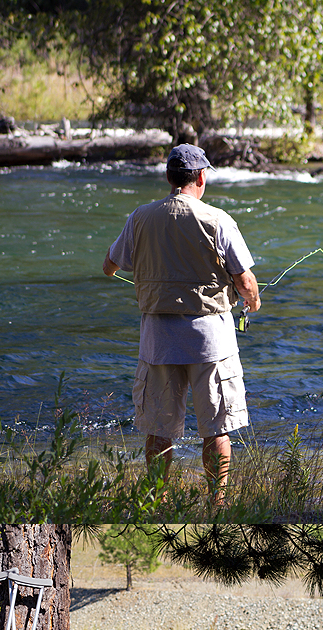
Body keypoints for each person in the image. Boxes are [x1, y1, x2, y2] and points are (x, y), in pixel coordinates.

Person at [102, 143, 261, 500]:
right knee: (216, 429)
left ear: (168, 177)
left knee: (159, 430)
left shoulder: (139, 217)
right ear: (201, 177)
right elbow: (245, 280)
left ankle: (156, 499)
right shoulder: (218, 219)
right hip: (210, 341)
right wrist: (253, 302)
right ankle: (217, 502)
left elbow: (110, 265)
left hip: (158, 340)